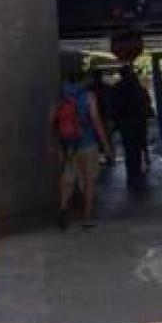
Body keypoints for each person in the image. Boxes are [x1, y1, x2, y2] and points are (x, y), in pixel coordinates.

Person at [52, 57, 114, 228]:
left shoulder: (61, 97)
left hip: (67, 144)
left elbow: (52, 120)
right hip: (87, 144)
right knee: (88, 181)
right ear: (82, 79)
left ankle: (63, 208)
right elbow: (96, 121)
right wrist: (107, 146)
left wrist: (54, 143)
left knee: (67, 179)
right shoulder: (88, 96)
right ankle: (87, 216)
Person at [110, 61, 153, 190]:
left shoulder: (117, 88)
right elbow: (147, 102)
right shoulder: (138, 87)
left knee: (129, 149)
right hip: (138, 121)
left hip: (126, 122)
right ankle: (138, 170)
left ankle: (132, 173)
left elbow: (114, 106)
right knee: (138, 146)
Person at [89, 69, 116, 167]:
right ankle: (110, 157)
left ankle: (101, 158)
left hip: (96, 116)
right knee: (107, 137)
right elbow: (112, 102)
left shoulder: (90, 88)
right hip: (106, 115)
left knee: (97, 138)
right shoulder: (107, 88)